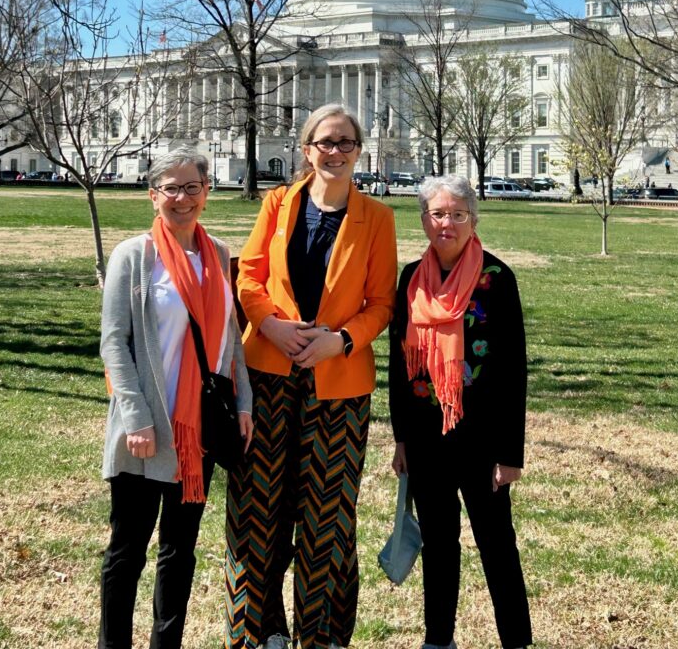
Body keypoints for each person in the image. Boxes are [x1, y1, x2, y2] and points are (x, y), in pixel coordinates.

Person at [225, 103, 397, 649]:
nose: (336, 151)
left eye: (346, 142)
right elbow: (248, 274)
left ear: (358, 151)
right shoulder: (278, 204)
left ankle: (320, 638)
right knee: (258, 512)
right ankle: (257, 634)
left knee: (327, 521)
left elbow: (381, 303)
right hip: (269, 375)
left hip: (338, 386)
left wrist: (338, 340)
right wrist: (269, 325)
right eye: (326, 141)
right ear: (307, 149)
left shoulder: (377, 218)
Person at [99, 147, 253, 649]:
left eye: (192, 187)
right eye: (171, 188)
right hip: (147, 428)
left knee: (179, 550)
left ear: (207, 193)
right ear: (153, 194)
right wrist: (136, 417)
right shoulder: (134, 255)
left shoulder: (219, 256)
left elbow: (230, 342)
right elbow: (113, 344)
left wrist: (245, 404)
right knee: (127, 551)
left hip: (200, 429)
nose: (182, 198)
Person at [389, 175, 532, 649]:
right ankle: (438, 639)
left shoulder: (496, 279)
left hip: (484, 442)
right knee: (439, 546)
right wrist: (402, 439)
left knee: (497, 547)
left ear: (473, 220)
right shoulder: (410, 280)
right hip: (428, 439)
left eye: (457, 214)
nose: (446, 223)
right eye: (437, 214)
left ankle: (516, 641)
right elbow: (397, 363)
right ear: (424, 221)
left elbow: (514, 369)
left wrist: (511, 454)